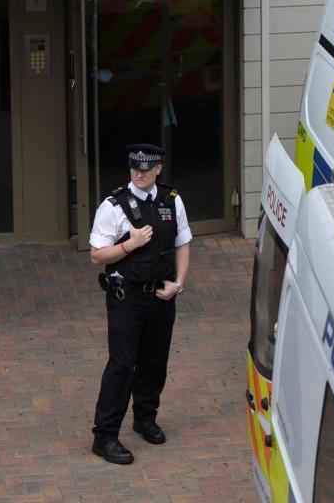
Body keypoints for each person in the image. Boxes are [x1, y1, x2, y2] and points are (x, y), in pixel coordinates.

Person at [89, 143, 192, 464]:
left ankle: (145, 417)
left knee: (155, 360)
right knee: (123, 365)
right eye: (135, 168)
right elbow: (96, 255)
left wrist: (178, 284)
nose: (140, 173)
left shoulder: (171, 201)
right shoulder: (114, 206)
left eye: (147, 169)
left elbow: (183, 243)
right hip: (126, 296)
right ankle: (105, 436)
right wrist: (129, 245)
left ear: (158, 169)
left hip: (161, 294)